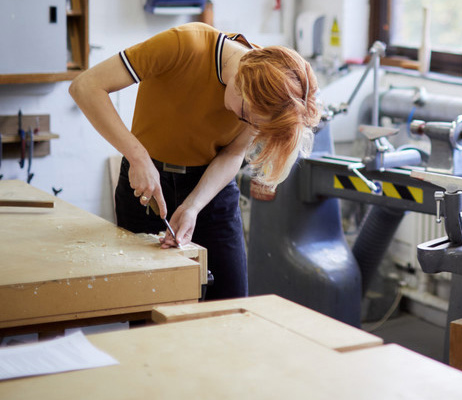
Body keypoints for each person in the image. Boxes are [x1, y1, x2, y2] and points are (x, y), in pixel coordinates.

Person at [70, 22, 321, 300]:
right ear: (243, 81)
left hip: (211, 189)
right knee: (147, 306)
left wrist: (193, 206)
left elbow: (233, 153)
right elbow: (85, 86)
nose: (245, 122)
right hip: (146, 180)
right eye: (245, 115)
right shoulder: (184, 44)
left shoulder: (273, 94)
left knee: (229, 303)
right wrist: (138, 156)